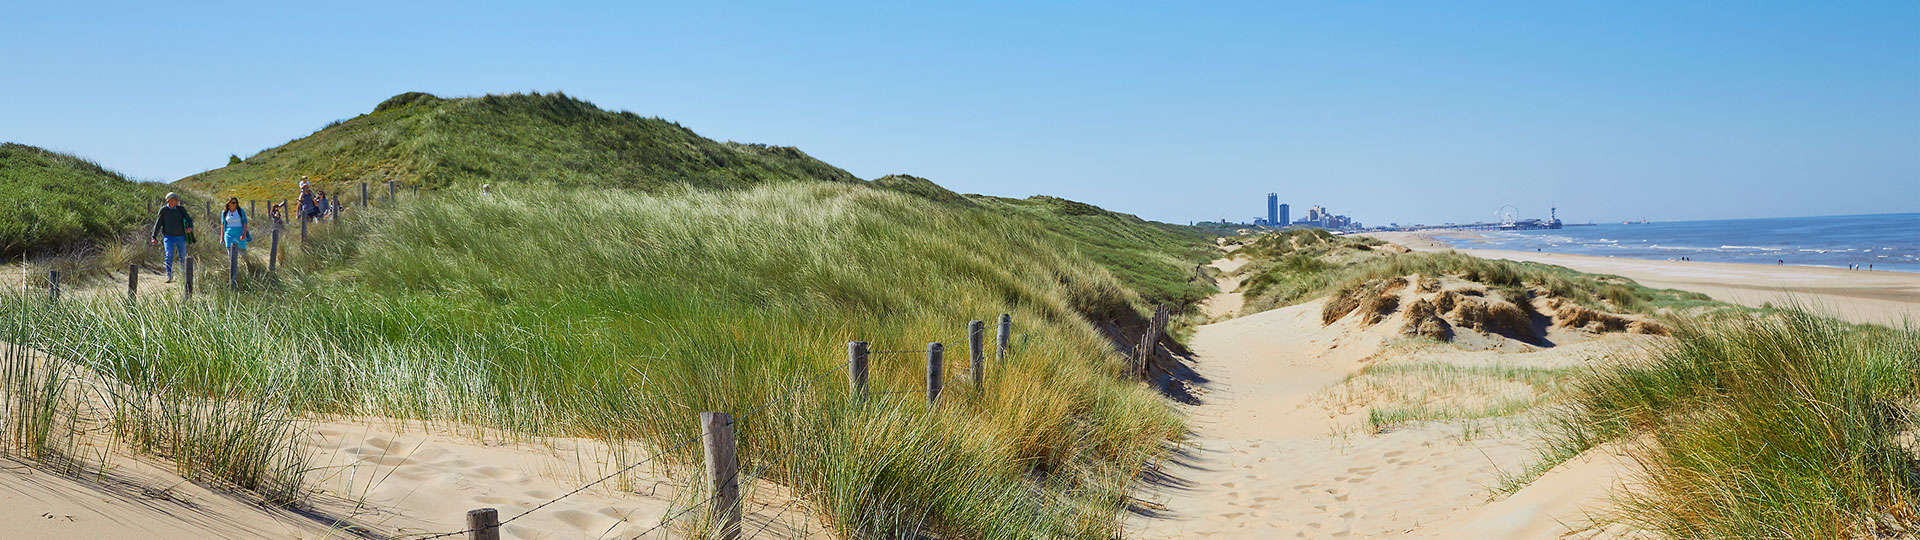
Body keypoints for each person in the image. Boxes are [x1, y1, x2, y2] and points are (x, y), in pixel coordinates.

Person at [149, 192, 194, 282]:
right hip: (168, 237)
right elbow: (158, 224)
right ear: (168, 200)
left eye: (176, 200)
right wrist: (154, 236)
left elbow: (189, 219)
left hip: (181, 237)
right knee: (168, 255)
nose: (175, 202)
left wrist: (190, 227)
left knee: (182, 256)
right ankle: (168, 275)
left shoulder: (181, 209)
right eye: (173, 200)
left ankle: (183, 276)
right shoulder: (164, 210)